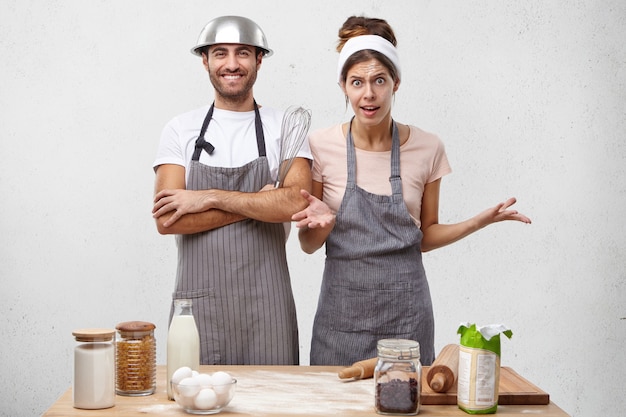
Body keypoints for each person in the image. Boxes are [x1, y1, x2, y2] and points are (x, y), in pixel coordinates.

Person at [292, 16, 531, 366]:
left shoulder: (427, 147)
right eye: (357, 82)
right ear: (343, 85)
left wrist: (479, 222)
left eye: (379, 80)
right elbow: (309, 246)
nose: (368, 94)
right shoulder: (320, 145)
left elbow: (425, 235)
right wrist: (323, 223)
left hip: (406, 317)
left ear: (396, 83)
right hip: (341, 321)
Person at [152, 16, 312, 365]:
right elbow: (167, 220)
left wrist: (208, 197)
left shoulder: (284, 126)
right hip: (200, 305)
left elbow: (295, 201)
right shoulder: (180, 129)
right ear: (205, 60)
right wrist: (261, 201)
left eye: (243, 53)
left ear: (258, 60)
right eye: (220, 53)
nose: (232, 63)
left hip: (266, 303)